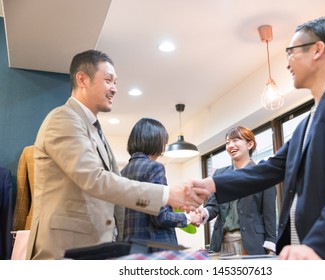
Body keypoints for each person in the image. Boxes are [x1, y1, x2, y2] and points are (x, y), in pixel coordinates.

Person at [189, 16, 325, 260]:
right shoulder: (306, 123)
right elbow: (268, 169)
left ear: (317, 49)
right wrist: (213, 184)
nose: (287, 63)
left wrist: (318, 244)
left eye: (291, 52)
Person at [25, 49, 207, 260]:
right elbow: (94, 179)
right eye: (109, 80)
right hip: (64, 248)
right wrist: (167, 195)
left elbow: (114, 196)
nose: (114, 89)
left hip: (96, 248)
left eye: (115, 82)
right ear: (82, 79)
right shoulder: (63, 118)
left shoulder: (94, 128)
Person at [121, 118, 201, 251]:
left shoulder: (122, 173)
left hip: (131, 249)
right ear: (155, 142)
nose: (163, 148)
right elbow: (161, 217)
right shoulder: (154, 168)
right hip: (155, 250)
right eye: (163, 142)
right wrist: (189, 217)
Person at [195, 126, 276, 255]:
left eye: (236, 140)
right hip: (221, 243)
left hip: (252, 243)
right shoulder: (220, 174)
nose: (230, 145)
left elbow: (269, 214)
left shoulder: (263, 174)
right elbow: (213, 206)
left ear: (250, 144)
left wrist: (271, 247)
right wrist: (203, 213)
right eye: (227, 142)